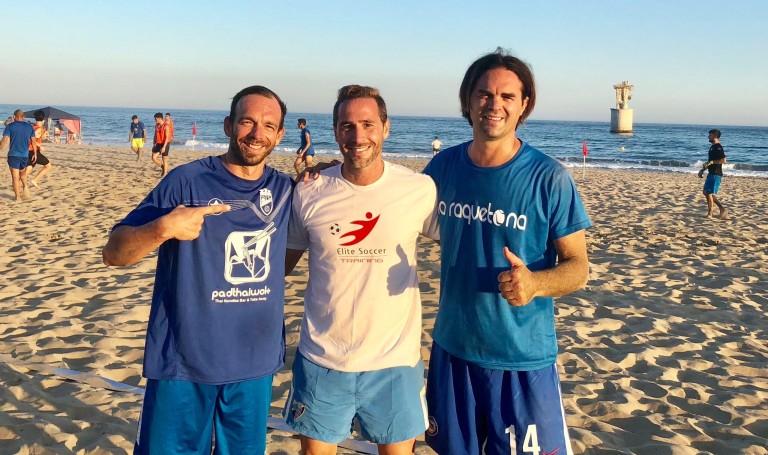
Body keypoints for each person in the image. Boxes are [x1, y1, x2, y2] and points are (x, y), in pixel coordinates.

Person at [102, 85, 293, 454]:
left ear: (279, 135)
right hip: (183, 365)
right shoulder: (186, 182)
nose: (257, 134)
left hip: (254, 365)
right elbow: (114, 253)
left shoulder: (288, 190)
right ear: (227, 126)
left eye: (268, 126)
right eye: (247, 122)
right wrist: (162, 228)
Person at [422, 49, 591, 455]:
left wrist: (535, 283)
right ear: (467, 100)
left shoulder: (549, 177)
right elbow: (387, 203)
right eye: (483, 94)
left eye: (507, 97)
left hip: (521, 358)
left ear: (523, 105)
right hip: (452, 350)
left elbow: (579, 268)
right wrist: (330, 174)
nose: (493, 105)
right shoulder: (442, 168)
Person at [283, 85, 438, 454]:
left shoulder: (419, 189)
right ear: (336, 131)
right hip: (322, 360)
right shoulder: (309, 190)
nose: (357, 136)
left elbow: (463, 247)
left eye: (368, 124)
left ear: (386, 127)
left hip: (395, 363)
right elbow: (279, 269)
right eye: (346, 126)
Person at [0, 109, 36, 201]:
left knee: (15, 177)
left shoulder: (10, 126)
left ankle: (18, 197)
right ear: (23, 117)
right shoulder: (29, 127)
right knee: (22, 173)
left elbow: (4, 141)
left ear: (14, 117)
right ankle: (25, 187)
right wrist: (35, 153)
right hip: (25, 155)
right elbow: (33, 141)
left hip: (14, 155)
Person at [697, 129, 728, 219]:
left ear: (715, 136)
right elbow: (709, 162)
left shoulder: (718, 147)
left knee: (708, 192)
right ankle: (722, 209)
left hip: (716, 173)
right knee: (706, 192)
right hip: (711, 172)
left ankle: (710, 213)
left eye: (710, 135)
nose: (708, 137)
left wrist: (711, 162)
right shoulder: (712, 147)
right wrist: (702, 170)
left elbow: (723, 160)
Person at [26, 110, 53, 188]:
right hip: (33, 151)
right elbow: (31, 139)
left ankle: (19, 181)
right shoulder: (39, 129)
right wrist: (40, 146)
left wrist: (43, 136)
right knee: (48, 166)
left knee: (30, 168)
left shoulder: (32, 126)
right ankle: (35, 180)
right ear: (43, 119)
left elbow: (34, 137)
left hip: (28, 150)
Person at [151, 112, 171, 177]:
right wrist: (154, 143)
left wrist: (164, 147)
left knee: (164, 158)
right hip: (158, 143)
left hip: (165, 143)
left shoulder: (166, 126)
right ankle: (163, 167)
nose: (155, 120)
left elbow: (167, 137)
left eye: (156, 119)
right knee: (153, 158)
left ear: (160, 118)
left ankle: (165, 174)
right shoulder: (156, 125)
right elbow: (155, 135)